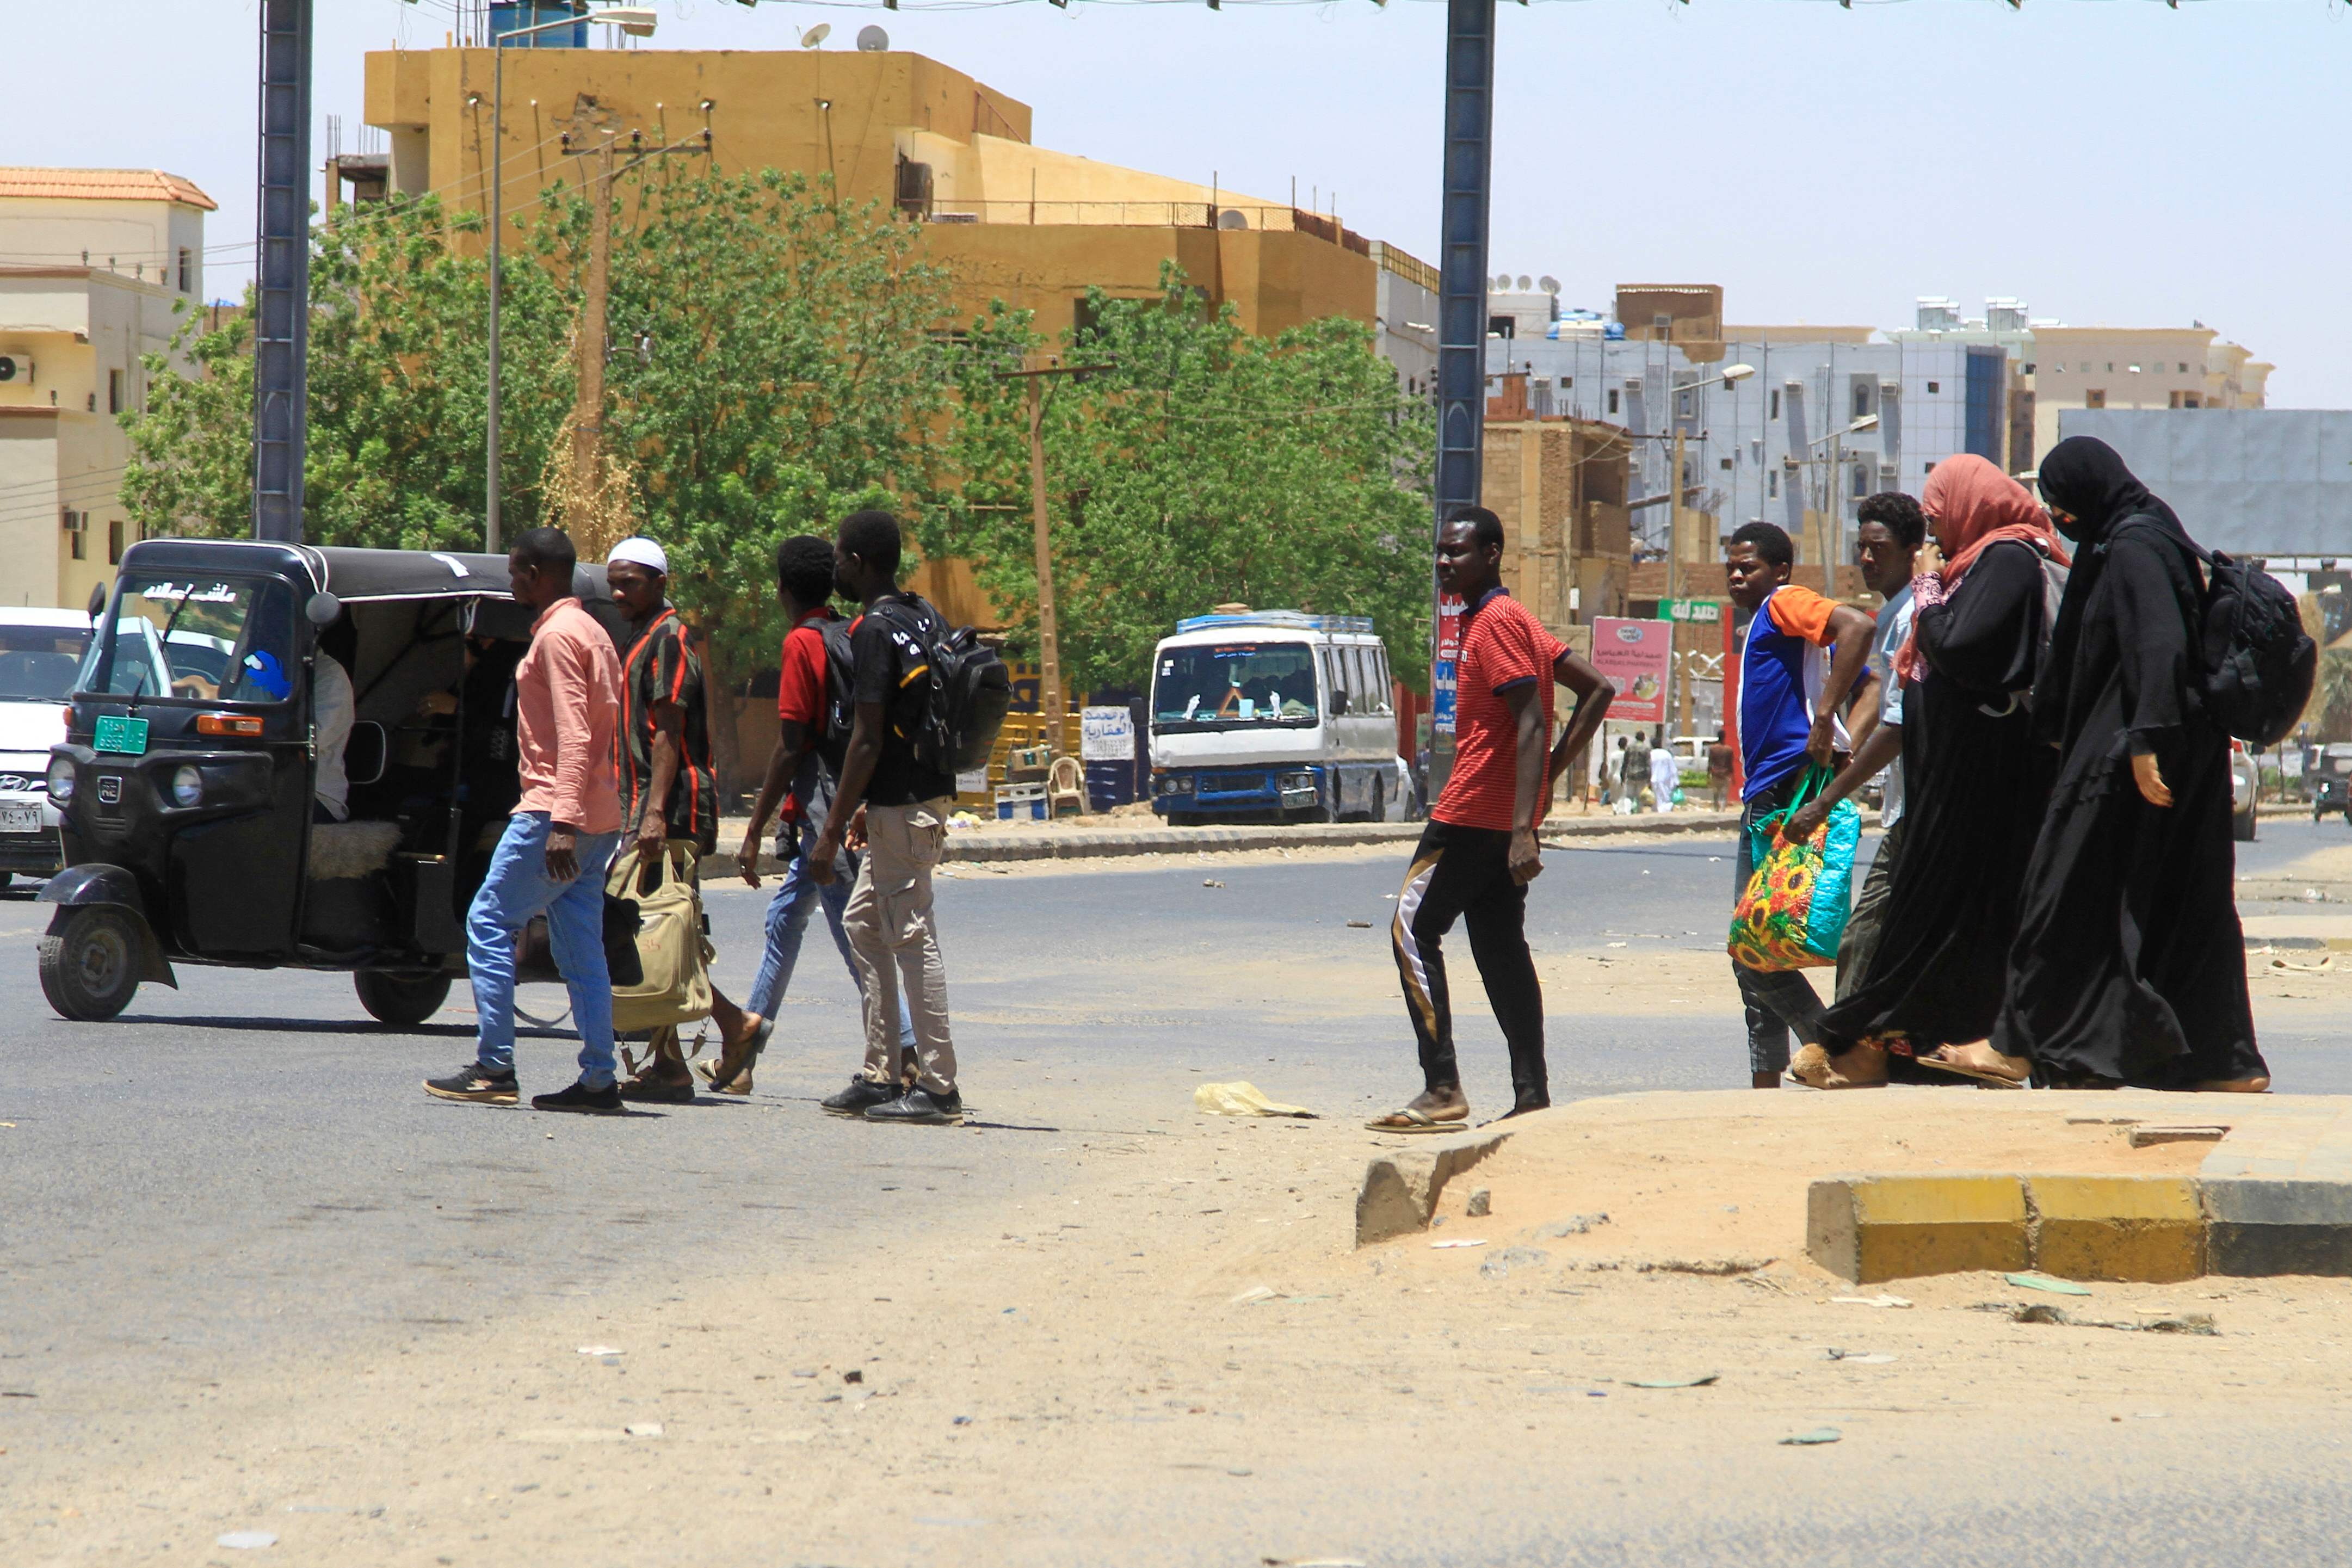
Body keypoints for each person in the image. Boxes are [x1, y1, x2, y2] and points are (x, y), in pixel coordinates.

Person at [1970, 436, 2270, 1091]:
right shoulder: (2153, 532)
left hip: (2133, 749)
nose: (2060, 516)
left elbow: (2157, 642)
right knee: (2179, 903)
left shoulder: (2132, 544)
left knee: (2056, 891)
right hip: (2172, 746)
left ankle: (2015, 1046)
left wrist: (2142, 743)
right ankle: (2220, 1061)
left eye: (2060, 501)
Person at [1792, 464, 2066, 1089]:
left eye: (1939, 507)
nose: (1935, 520)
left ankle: (1848, 1038)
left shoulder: (2006, 561)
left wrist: (1930, 597)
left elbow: (1963, 652)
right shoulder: (1975, 567)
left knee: (1915, 926)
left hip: (1974, 792)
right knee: (1932, 930)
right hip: (1944, 793)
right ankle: (1895, 1046)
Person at [1367, 506, 1615, 1132]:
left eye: (1459, 552)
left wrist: (1527, 823)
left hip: (1474, 810)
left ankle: (1442, 1086)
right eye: (1441, 553)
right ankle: (1532, 1095)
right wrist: (1540, 793)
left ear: (1494, 554)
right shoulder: (1510, 618)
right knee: (1501, 951)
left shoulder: (1496, 622)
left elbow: (1532, 719)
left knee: (1411, 930)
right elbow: (1598, 688)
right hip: (1500, 817)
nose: (1446, 563)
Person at [426, 527, 628, 1113]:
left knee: (488, 921)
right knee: (581, 949)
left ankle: (494, 1067)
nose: (511, 581)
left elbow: (574, 732)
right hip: (598, 816)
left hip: (553, 814)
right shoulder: (593, 629)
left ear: (538, 573)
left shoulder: (559, 637)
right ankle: (598, 1078)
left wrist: (561, 818)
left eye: (516, 572)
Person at [711, 535, 915, 1094]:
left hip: (825, 816)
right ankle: (744, 1047)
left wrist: (754, 827)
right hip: (824, 815)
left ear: (782, 590)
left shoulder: (803, 642)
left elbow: (790, 743)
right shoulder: (848, 630)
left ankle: (906, 1050)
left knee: (857, 940)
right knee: (784, 920)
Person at [601, 536, 773, 1103]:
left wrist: (652, 814)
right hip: (650, 807)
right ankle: (702, 1044)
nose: (619, 591)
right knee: (659, 937)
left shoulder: (670, 638)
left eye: (630, 581)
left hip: (672, 809)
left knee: (662, 932)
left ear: (659, 583)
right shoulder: (643, 638)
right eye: (614, 582)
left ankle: (719, 1035)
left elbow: (668, 732)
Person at [806, 510, 964, 1126]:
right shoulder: (919, 612)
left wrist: (830, 826)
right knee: (865, 923)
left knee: (912, 935)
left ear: (860, 562)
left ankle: (939, 1086)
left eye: (841, 556)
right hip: (912, 801)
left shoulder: (873, 628)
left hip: (905, 806)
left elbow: (867, 739)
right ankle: (881, 1072)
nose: (836, 566)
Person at [1723, 521, 1875, 1088]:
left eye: (1750, 566)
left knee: (1750, 946)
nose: (1738, 575)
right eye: (1731, 568)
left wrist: (1824, 726)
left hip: (1785, 793)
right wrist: (1843, 740)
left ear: (1781, 571)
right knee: (1762, 943)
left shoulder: (1785, 602)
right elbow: (1873, 682)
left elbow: (1858, 626)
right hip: (1769, 790)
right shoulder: (1772, 626)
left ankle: (1835, 1046)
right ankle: (1767, 1078)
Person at [1774, 492, 1924, 1041]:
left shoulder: (1910, 615)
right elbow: (1881, 697)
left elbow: (1900, 723)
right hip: (1910, 802)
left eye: (1878, 547)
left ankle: (1840, 1049)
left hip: (1920, 808)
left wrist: (1825, 799)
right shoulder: (1895, 614)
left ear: (1913, 549)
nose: (1866, 558)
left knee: (1861, 933)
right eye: (1860, 547)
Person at [1648, 732, 1679, 814]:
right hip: (1666, 780)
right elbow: (1673, 769)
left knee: (1657, 799)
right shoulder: (1666, 754)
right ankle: (1665, 813)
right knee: (1666, 798)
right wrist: (1676, 781)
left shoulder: (1651, 754)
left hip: (1654, 780)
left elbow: (1648, 768)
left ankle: (1658, 813)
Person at [1619, 729, 1647, 810]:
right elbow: (1648, 765)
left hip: (1630, 774)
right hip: (1642, 775)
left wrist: (1622, 775)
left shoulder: (1629, 748)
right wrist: (1649, 778)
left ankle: (1628, 811)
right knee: (1640, 796)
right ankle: (1639, 812)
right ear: (1643, 738)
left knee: (1629, 796)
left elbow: (1625, 763)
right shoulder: (1646, 748)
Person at [1706, 729, 1733, 811]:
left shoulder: (1713, 749)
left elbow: (1710, 762)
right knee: (1724, 794)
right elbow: (1730, 764)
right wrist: (1732, 775)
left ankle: (1716, 809)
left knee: (1716, 794)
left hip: (1715, 774)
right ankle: (1723, 809)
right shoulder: (1729, 750)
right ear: (1724, 737)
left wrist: (1708, 774)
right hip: (1725, 774)